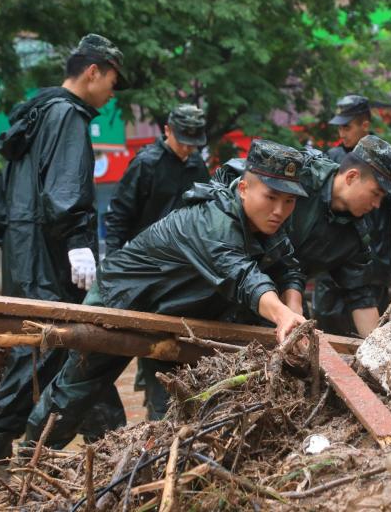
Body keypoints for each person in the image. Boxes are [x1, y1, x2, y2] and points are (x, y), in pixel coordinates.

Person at [23, 140, 308, 448]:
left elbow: (289, 267)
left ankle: (169, 467)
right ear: (243, 189)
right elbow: (241, 276)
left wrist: (294, 311)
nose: (280, 210)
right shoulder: (211, 222)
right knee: (77, 392)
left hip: (176, 316)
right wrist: (282, 316)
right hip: (122, 300)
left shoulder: (268, 224)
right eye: (271, 197)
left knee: (183, 399)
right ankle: (30, 459)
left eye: (290, 201)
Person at [0, 34, 131, 492]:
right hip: (51, 249)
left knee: (82, 342)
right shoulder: (66, 115)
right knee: (47, 347)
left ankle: (114, 445)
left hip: (26, 247)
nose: (112, 92)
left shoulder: (36, 111)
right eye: (113, 80)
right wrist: (78, 241)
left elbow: (7, 200)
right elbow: (64, 189)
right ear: (93, 71)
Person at [215, 135, 391, 337]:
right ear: (351, 177)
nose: (377, 205)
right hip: (225, 283)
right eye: (375, 194)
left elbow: (360, 295)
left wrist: (379, 349)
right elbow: (231, 181)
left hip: (285, 302)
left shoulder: (354, 236)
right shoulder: (300, 175)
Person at [103, 103, 210, 420]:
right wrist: (113, 263)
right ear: (166, 131)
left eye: (194, 142)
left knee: (182, 339)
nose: (188, 147)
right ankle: (158, 408)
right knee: (153, 338)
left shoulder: (197, 167)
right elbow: (120, 215)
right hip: (147, 267)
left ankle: (174, 404)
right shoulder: (146, 164)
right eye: (183, 140)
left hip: (185, 269)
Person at [312, 95, 391, 334]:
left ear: (365, 125)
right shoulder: (329, 161)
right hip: (331, 256)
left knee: (368, 315)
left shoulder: (385, 164)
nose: (342, 133)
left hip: (374, 257)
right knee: (327, 320)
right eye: (339, 127)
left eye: (347, 126)